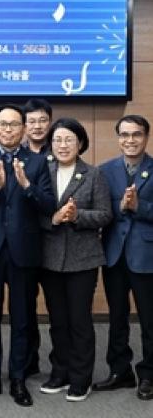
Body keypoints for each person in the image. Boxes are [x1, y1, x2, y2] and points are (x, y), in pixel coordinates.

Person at [0, 104, 55, 407]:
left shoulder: (38, 162)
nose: (8, 130)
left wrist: (27, 186)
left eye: (14, 125)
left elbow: (49, 205)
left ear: (23, 129)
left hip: (24, 250)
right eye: (3, 124)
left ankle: (18, 378)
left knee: (22, 319)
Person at [39, 118, 112, 402]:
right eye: (57, 140)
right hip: (50, 258)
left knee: (79, 320)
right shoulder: (43, 172)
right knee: (57, 320)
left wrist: (77, 216)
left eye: (69, 139)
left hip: (83, 259)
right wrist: (54, 219)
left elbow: (105, 214)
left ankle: (81, 378)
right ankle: (60, 372)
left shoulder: (93, 174)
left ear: (80, 143)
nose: (63, 145)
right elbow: (32, 213)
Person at [96, 114, 153, 401]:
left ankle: (149, 375)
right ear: (118, 138)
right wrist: (120, 208)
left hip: (146, 256)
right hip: (114, 256)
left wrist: (139, 207)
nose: (130, 140)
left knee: (149, 319)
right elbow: (101, 211)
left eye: (137, 134)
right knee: (116, 316)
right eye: (125, 135)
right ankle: (120, 371)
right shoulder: (104, 171)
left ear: (146, 137)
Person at [21, 97, 54, 379]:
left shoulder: (62, 150)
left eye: (43, 120)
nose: (37, 126)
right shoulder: (16, 155)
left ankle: (60, 363)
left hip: (55, 240)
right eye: (32, 121)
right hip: (25, 242)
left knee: (57, 308)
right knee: (26, 306)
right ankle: (29, 360)